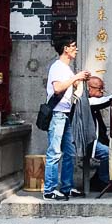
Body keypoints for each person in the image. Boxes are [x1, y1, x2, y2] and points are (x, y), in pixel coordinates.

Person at [42, 35, 90, 202]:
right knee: (54, 152)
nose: (75, 49)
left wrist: (78, 82)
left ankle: (66, 187)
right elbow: (57, 88)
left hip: (66, 114)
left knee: (69, 153)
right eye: (73, 46)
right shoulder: (58, 67)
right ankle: (49, 190)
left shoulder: (66, 68)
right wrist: (76, 78)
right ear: (66, 49)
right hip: (57, 115)